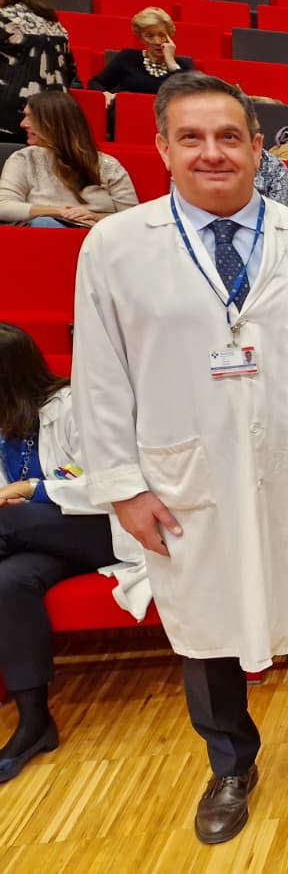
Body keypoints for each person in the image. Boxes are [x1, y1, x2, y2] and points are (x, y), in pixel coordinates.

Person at [73, 72, 288, 843]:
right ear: (162, 148)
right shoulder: (114, 246)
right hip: (185, 475)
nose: (212, 153)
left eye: (228, 137)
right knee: (204, 625)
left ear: (255, 147)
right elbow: (100, 378)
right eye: (192, 138)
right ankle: (229, 766)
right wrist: (121, 486)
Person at [0, 323, 145, 784]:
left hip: (98, 530)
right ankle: (35, 722)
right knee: (8, 582)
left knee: (7, 519)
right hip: (31, 540)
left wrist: (34, 488)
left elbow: (107, 483)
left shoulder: (71, 407)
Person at [0, 91, 136, 226]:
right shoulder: (24, 159)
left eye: (31, 117)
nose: (23, 124)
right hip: (44, 233)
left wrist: (96, 216)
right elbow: (3, 207)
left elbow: (133, 219)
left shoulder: (108, 165)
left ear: (54, 123)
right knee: (43, 223)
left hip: (96, 235)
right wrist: (59, 212)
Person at [0, 0, 74, 142]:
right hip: (51, 120)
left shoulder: (2, 19)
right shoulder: (56, 25)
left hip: (8, 118)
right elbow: (70, 71)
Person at [87, 7, 192, 96]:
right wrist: (106, 95)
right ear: (141, 39)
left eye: (162, 35)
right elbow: (95, 83)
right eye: (150, 36)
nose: (157, 41)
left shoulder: (182, 66)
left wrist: (171, 62)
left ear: (170, 36)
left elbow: (189, 95)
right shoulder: (127, 58)